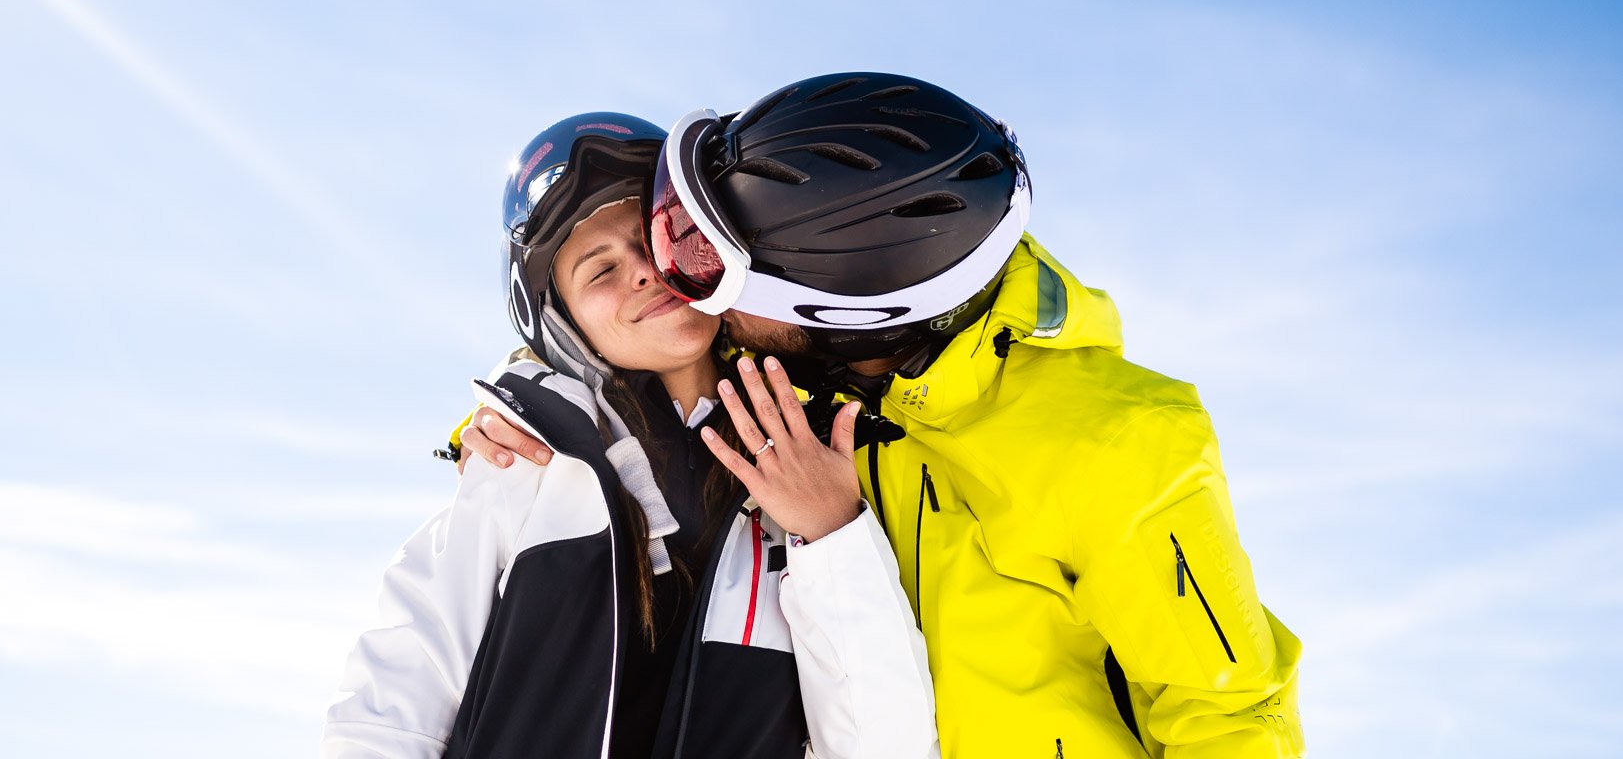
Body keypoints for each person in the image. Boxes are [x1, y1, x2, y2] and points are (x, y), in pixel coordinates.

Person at [468, 75, 1306, 758]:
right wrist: (519, 415)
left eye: (727, 276)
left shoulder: (1117, 441)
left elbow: (1228, 714)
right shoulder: (792, 378)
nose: (693, 292)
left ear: (843, 309)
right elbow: (631, 370)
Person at [323, 113, 938, 759]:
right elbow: (389, 713)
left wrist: (831, 532)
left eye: (656, 238)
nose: (644, 272)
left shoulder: (825, 452)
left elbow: (885, 745)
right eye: (599, 271)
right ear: (563, 323)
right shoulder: (525, 466)